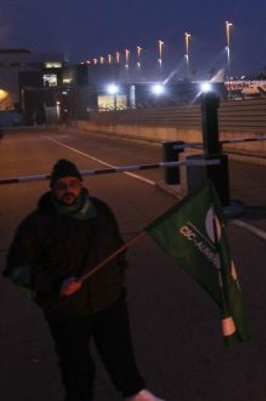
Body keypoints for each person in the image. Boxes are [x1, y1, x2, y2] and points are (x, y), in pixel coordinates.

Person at [3, 159, 162, 401]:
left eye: (73, 184)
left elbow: (118, 248)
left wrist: (117, 279)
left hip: (109, 301)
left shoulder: (100, 210)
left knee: (119, 352)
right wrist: (56, 285)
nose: (68, 190)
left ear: (81, 185)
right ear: (52, 189)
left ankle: (134, 392)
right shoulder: (37, 223)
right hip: (67, 310)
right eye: (61, 186)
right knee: (75, 364)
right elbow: (17, 269)